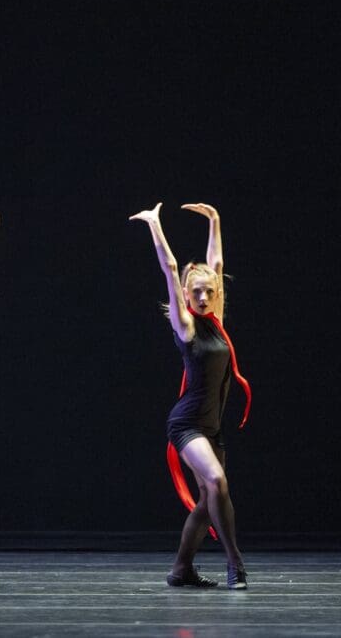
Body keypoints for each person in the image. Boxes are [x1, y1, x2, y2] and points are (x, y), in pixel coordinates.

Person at [129, 202, 251, 590]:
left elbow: (216, 264)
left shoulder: (216, 320)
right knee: (216, 483)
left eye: (207, 292)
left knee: (205, 501)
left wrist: (215, 220)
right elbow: (169, 267)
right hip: (187, 425)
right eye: (194, 291)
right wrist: (155, 226)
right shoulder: (187, 328)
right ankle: (236, 565)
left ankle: (181, 569)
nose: (202, 297)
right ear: (185, 294)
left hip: (212, 428)